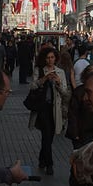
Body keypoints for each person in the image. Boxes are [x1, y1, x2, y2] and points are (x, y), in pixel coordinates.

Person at [29, 46, 69, 175]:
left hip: (55, 108)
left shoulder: (60, 72)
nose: (50, 60)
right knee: (46, 134)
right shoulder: (39, 70)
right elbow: (33, 86)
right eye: (47, 58)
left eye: (52, 57)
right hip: (43, 108)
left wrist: (57, 82)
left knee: (49, 137)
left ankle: (42, 159)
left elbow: (65, 93)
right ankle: (50, 164)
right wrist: (44, 78)